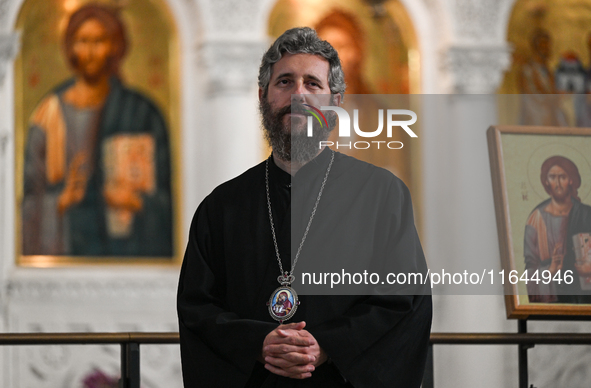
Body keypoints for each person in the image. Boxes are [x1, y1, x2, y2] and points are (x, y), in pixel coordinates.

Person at [177, 27, 432, 387]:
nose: (298, 96)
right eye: (284, 82)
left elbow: (404, 299)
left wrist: (326, 345)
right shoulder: (221, 207)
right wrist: (258, 342)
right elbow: (197, 308)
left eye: (312, 84)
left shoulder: (382, 195)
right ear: (263, 96)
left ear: (336, 102)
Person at [22, 4, 172, 257]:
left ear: (115, 46)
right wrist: (61, 200)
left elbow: (170, 201)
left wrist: (136, 202)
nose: (90, 52)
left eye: (99, 41)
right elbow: (26, 202)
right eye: (82, 41)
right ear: (70, 46)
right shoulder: (49, 114)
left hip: (122, 251)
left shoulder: (141, 112)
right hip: (67, 247)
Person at [524, 155, 591, 303]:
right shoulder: (536, 218)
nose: (558, 183)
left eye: (562, 177)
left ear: (571, 180)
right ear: (546, 182)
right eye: (553, 177)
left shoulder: (587, 214)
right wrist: (550, 270)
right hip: (553, 301)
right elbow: (529, 269)